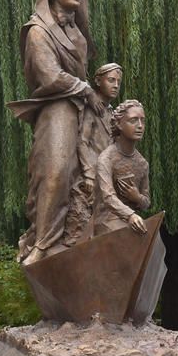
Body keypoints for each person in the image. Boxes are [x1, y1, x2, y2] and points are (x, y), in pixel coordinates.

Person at [6, 0, 102, 265]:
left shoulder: (78, 34)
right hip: (56, 109)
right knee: (55, 173)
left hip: (82, 111)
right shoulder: (38, 31)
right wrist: (85, 89)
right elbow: (48, 75)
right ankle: (43, 244)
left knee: (94, 174)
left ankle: (84, 237)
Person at [64, 62, 123, 243]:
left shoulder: (112, 112)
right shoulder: (91, 108)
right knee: (83, 225)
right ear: (98, 81)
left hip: (106, 175)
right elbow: (82, 142)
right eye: (111, 80)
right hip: (92, 175)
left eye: (118, 82)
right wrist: (89, 174)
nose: (115, 85)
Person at [92, 99, 150, 236]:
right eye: (133, 120)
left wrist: (137, 197)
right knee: (129, 235)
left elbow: (146, 202)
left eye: (142, 120)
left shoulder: (142, 163)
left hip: (132, 220)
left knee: (153, 238)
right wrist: (130, 215)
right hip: (107, 220)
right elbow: (108, 197)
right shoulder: (106, 159)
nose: (140, 125)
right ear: (119, 124)